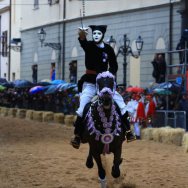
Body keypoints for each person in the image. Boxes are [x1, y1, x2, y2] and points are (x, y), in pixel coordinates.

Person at [71, 25, 136, 149]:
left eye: (98, 33)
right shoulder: (89, 46)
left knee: (121, 105)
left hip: (104, 83)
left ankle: (128, 131)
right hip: (90, 84)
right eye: (94, 33)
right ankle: (77, 136)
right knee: (82, 107)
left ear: (103, 35)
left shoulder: (108, 49)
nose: (96, 35)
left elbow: (114, 66)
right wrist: (81, 34)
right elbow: (82, 41)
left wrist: (109, 74)